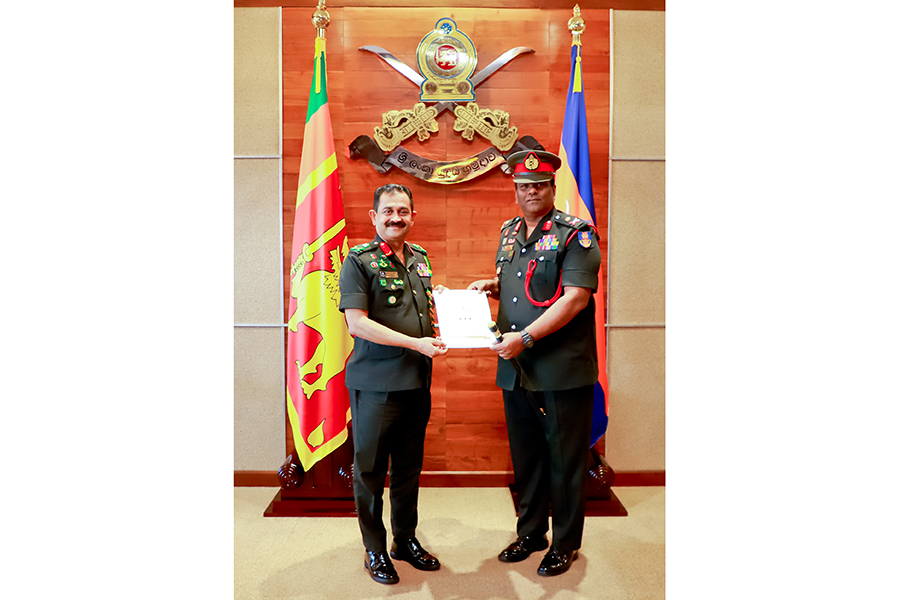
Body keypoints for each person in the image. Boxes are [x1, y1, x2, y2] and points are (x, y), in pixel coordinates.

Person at [467, 150, 602, 577]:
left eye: (538, 185)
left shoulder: (575, 234)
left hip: (559, 368)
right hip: (517, 369)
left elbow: (575, 298)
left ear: (551, 187)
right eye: (523, 186)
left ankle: (565, 543)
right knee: (526, 457)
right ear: (515, 190)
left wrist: (525, 337)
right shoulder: (509, 232)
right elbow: (523, 284)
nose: (530, 191)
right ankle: (530, 534)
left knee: (564, 460)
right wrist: (492, 284)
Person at [338, 183, 448, 585]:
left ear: (413, 216)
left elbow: (419, 310)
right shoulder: (359, 260)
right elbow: (358, 323)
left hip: (416, 383)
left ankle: (405, 540)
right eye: (388, 211)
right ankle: (374, 549)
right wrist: (415, 343)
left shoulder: (420, 259)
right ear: (374, 216)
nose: (396, 217)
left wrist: (447, 308)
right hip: (377, 385)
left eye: (403, 211)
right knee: (369, 472)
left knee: (408, 470)